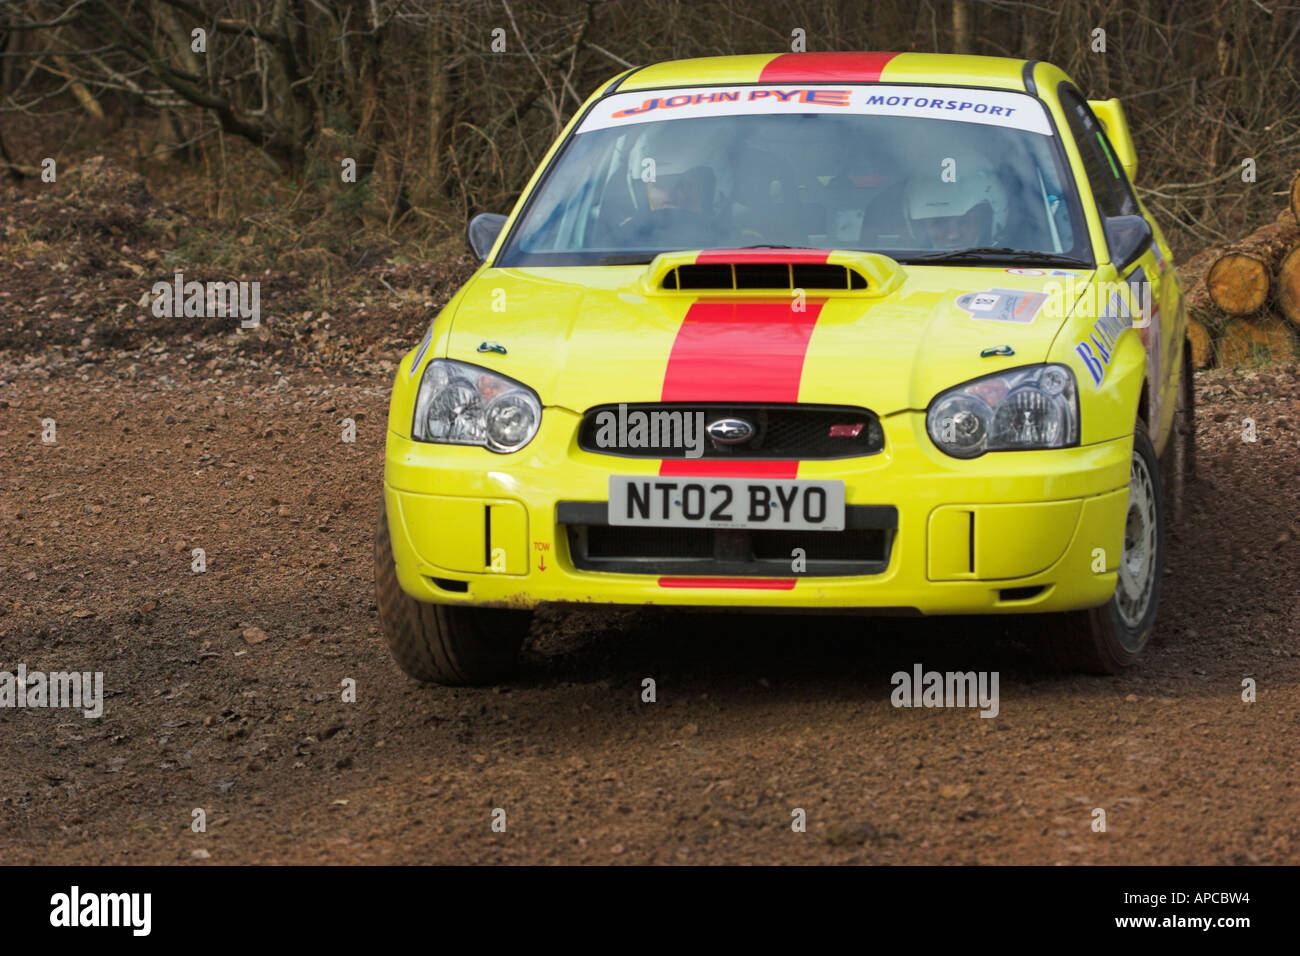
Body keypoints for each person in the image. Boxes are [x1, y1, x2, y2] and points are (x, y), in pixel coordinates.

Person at [902, 162, 1010, 249]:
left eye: (963, 221)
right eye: (938, 222)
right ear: (918, 225)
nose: (952, 235)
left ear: (985, 219)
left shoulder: (1021, 261)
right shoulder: (895, 265)